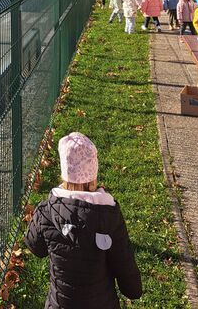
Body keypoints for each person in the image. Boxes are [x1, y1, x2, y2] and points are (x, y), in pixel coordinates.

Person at [25, 132, 142, 309]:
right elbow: (123, 260)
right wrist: (133, 289)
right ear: (93, 173)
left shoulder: (47, 211)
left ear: (64, 173)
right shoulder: (109, 214)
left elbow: (35, 247)